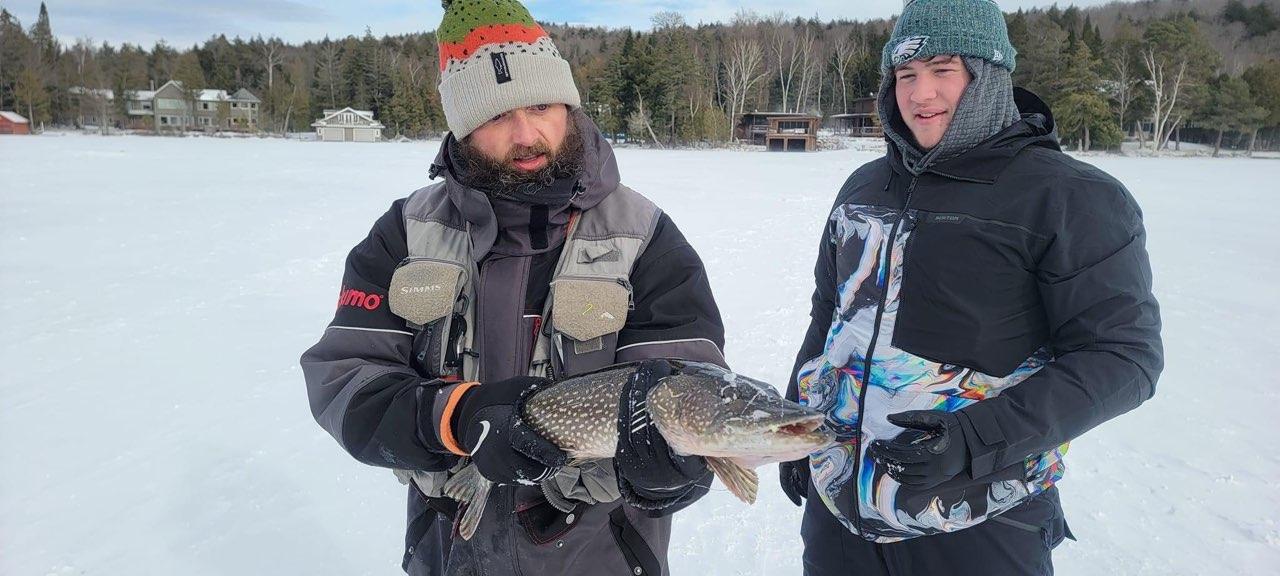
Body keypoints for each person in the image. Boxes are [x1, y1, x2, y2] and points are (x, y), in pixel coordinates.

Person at [301, 1, 726, 574]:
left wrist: (670, 475)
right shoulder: (404, 233)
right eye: (497, 116)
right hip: (450, 553)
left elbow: (691, 391)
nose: (527, 135)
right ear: (462, 126)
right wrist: (455, 415)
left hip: (602, 556)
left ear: (570, 108)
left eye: (542, 106)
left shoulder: (646, 239)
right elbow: (344, 382)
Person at [778, 1, 1164, 574]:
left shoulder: (1071, 198)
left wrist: (974, 440)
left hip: (977, 520)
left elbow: (1124, 358)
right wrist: (794, 426)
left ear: (988, 77)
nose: (920, 94)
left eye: (942, 71)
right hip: (840, 516)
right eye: (905, 75)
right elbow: (830, 315)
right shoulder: (864, 187)